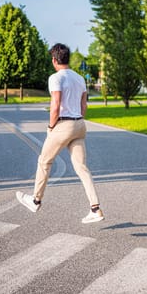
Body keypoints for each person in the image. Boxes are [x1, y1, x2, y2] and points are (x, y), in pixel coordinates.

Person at [16, 43, 104, 224]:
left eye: (52, 59)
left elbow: (55, 105)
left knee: (44, 161)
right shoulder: (80, 78)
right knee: (82, 168)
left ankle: (35, 200)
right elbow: (84, 105)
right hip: (79, 124)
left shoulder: (55, 78)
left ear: (55, 60)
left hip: (63, 125)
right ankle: (95, 209)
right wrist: (77, 120)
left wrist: (50, 127)